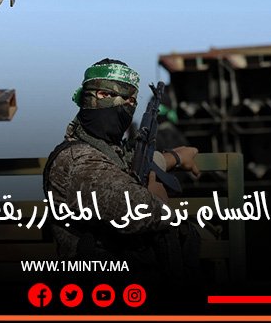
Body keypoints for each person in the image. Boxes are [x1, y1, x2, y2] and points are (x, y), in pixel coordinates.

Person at [42, 59, 201, 284]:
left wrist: (174, 157)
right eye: (111, 95)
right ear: (92, 97)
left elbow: (129, 164)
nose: (126, 105)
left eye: (132, 100)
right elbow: (138, 211)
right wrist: (158, 198)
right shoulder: (78, 160)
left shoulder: (106, 151)